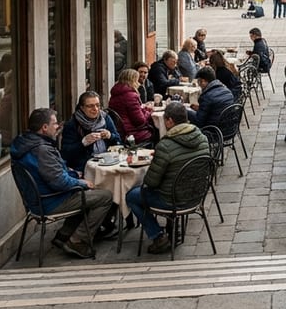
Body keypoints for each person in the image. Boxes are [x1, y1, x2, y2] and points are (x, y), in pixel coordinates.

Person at [10, 108, 114, 259]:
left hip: (37, 198)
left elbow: (52, 171)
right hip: (50, 200)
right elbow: (59, 182)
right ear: (44, 127)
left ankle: (63, 234)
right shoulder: (41, 150)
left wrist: (71, 172)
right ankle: (77, 241)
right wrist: (81, 182)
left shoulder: (26, 142)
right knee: (105, 196)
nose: (57, 126)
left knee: (85, 193)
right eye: (55, 123)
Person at [124, 102, 213, 254]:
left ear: (170, 121)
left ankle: (158, 236)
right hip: (197, 195)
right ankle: (172, 228)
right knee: (167, 184)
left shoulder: (165, 145)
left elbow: (151, 183)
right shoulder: (202, 138)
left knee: (131, 196)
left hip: (173, 199)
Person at [60, 91, 121, 174]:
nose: (95, 109)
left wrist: (110, 136)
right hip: (85, 167)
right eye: (90, 106)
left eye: (97, 105)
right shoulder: (73, 124)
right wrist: (83, 142)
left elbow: (119, 141)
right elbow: (65, 153)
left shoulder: (105, 118)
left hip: (109, 162)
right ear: (82, 107)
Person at [110, 68, 153, 145]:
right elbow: (140, 121)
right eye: (136, 80)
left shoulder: (116, 93)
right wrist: (149, 112)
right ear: (132, 81)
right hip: (133, 133)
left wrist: (143, 109)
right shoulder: (130, 96)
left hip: (122, 130)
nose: (138, 83)